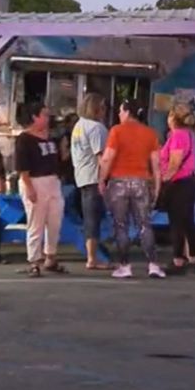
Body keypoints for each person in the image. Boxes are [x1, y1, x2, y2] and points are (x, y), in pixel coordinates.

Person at [98, 100, 165, 280]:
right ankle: (153, 265)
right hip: (142, 183)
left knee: (121, 226)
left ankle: (125, 266)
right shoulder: (151, 134)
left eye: (120, 111)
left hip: (118, 183)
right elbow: (156, 166)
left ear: (127, 112)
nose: (119, 115)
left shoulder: (116, 131)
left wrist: (101, 179)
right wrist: (157, 187)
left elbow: (107, 159)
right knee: (145, 224)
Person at [15, 101, 66, 278]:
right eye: (44, 114)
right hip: (34, 180)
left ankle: (50, 256)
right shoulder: (24, 139)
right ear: (35, 117)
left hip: (52, 180)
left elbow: (59, 159)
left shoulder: (50, 137)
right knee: (36, 222)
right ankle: (34, 260)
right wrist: (29, 187)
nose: (47, 118)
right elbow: (22, 166)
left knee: (54, 221)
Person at [70, 92, 110, 271]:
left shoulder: (78, 126)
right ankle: (92, 258)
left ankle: (93, 254)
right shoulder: (96, 128)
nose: (105, 110)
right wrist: (106, 178)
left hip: (81, 176)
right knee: (94, 218)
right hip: (94, 177)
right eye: (102, 107)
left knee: (89, 217)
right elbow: (102, 157)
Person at [160, 103, 195, 275]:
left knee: (177, 222)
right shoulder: (191, 135)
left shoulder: (177, 136)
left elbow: (175, 163)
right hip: (190, 182)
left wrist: (163, 179)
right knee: (188, 222)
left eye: (169, 115)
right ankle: (193, 258)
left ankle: (178, 259)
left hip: (179, 183)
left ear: (173, 118)